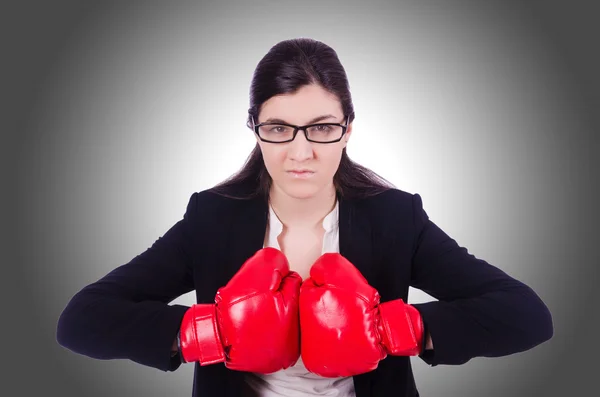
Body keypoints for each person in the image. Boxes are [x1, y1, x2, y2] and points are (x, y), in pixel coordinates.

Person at [56, 37, 554, 397]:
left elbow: (527, 315)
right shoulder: (211, 219)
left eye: (320, 128)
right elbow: (80, 321)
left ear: (347, 130)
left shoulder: (396, 219)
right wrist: (207, 334)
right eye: (278, 127)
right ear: (255, 130)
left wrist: (398, 328)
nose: (301, 152)